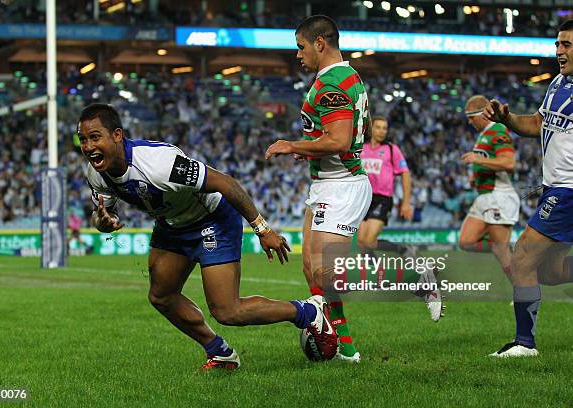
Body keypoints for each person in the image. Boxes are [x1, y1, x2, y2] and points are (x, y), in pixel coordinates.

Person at [77, 103, 337, 370]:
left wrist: (262, 229)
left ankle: (308, 312)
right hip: (172, 225)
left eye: (95, 137)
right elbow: (103, 216)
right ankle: (220, 352)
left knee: (227, 311)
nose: (87, 146)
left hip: (212, 219)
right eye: (83, 140)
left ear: (117, 135)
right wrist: (104, 224)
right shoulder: (97, 175)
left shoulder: (159, 165)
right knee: (161, 296)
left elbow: (225, 183)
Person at [266, 15, 371, 362]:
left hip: (341, 186)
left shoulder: (332, 84)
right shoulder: (347, 76)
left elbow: (340, 139)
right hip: (326, 183)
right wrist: (313, 146)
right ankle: (345, 348)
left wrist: (294, 145)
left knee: (327, 273)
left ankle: (416, 276)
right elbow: (359, 132)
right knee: (312, 271)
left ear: (320, 43)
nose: (298, 54)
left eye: (301, 46)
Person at [484, 19, 573, 357]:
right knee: (549, 272)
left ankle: (524, 344)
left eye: (566, 45)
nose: (559, 51)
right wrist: (507, 119)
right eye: (557, 44)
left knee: (521, 257)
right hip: (554, 187)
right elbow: (536, 124)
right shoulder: (558, 84)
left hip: (568, 190)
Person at [358, 116, 443, 322]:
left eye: (384, 128)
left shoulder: (391, 150)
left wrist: (406, 202)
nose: (381, 131)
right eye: (378, 127)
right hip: (362, 198)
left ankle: (402, 250)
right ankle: (380, 274)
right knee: (361, 243)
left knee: (368, 241)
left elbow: (405, 174)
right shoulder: (360, 148)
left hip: (382, 198)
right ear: (371, 128)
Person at [459, 95, 519, 283]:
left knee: (501, 250)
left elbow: (508, 163)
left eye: (471, 117)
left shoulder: (498, 130)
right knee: (466, 242)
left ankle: (524, 290)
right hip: (484, 195)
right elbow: (491, 162)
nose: (469, 122)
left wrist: (478, 160)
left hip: (499, 196)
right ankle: (509, 251)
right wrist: (476, 176)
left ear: (483, 115)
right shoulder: (483, 135)